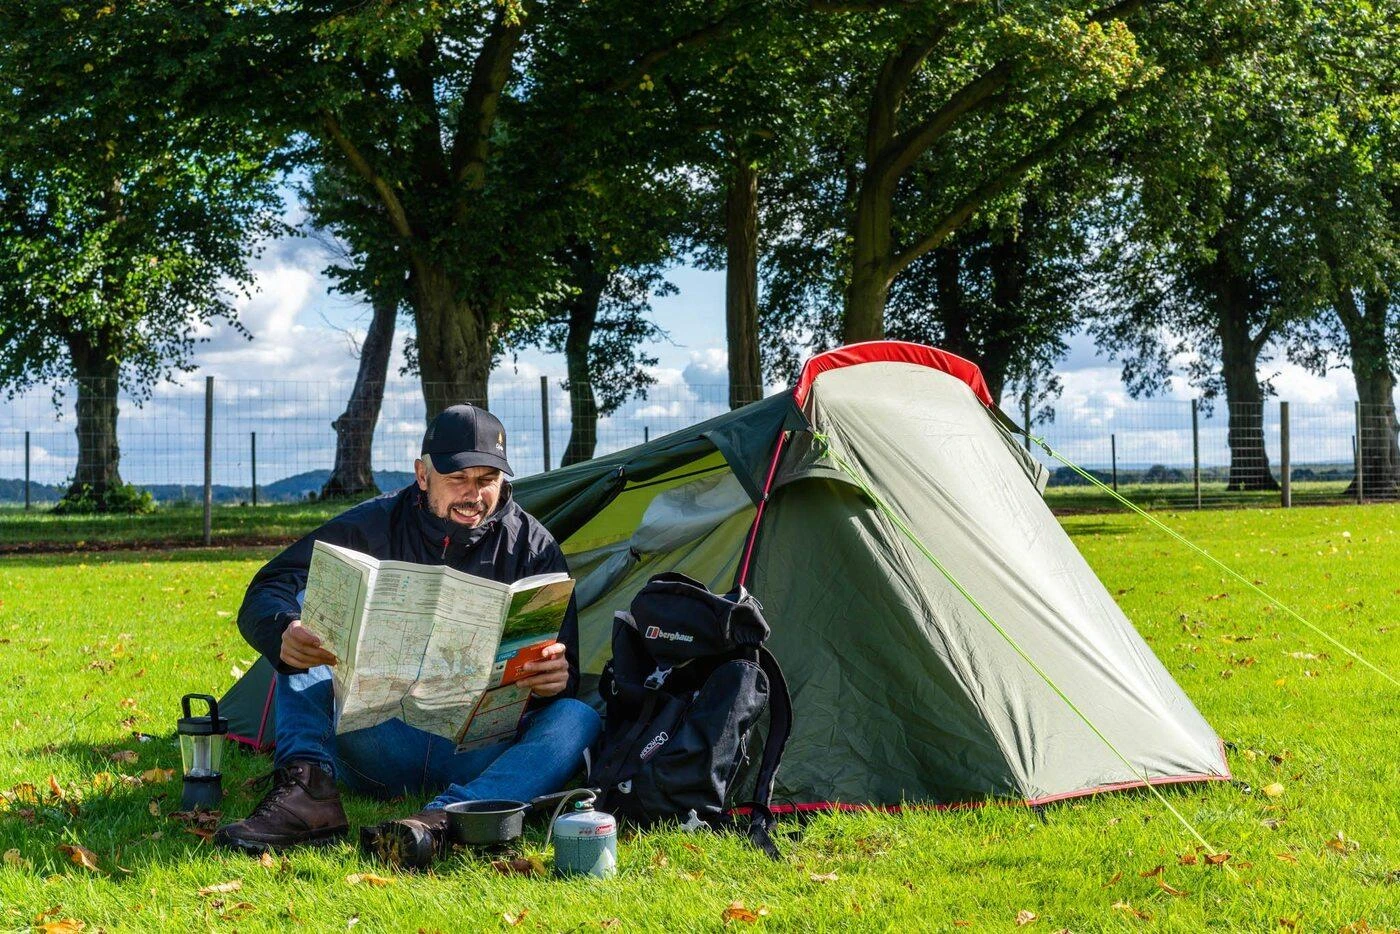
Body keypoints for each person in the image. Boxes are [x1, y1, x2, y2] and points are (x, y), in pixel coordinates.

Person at [214, 404, 600, 868]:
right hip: (376, 742)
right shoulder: (371, 524)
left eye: (488, 480)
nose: (474, 494)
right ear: (422, 475)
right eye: (458, 478)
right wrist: (284, 630)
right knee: (305, 631)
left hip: (476, 748)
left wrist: (554, 681)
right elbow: (270, 586)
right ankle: (308, 793)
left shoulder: (535, 548)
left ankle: (444, 821)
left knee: (577, 717)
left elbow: (561, 673)